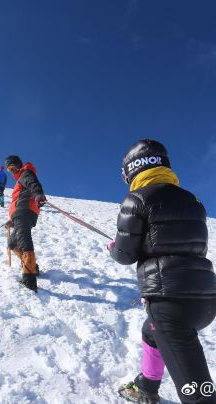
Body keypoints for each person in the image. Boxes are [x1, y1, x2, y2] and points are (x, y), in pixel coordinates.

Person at [107, 139, 216, 404]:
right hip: (206, 301)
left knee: (200, 396)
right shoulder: (194, 202)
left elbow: (125, 255)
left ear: (132, 170)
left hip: (169, 306)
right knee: (150, 332)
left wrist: (113, 247)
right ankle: (147, 385)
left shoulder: (137, 199)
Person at [5, 155, 46, 293]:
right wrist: (12, 220)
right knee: (12, 243)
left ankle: (29, 279)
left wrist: (38, 194)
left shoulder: (25, 173)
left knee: (24, 241)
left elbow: (33, 183)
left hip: (24, 212)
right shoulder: (19, 179)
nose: (11, 172)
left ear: (17, 165)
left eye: (12, 168)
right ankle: (33, 266)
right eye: (9, 170)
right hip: (19, 215)